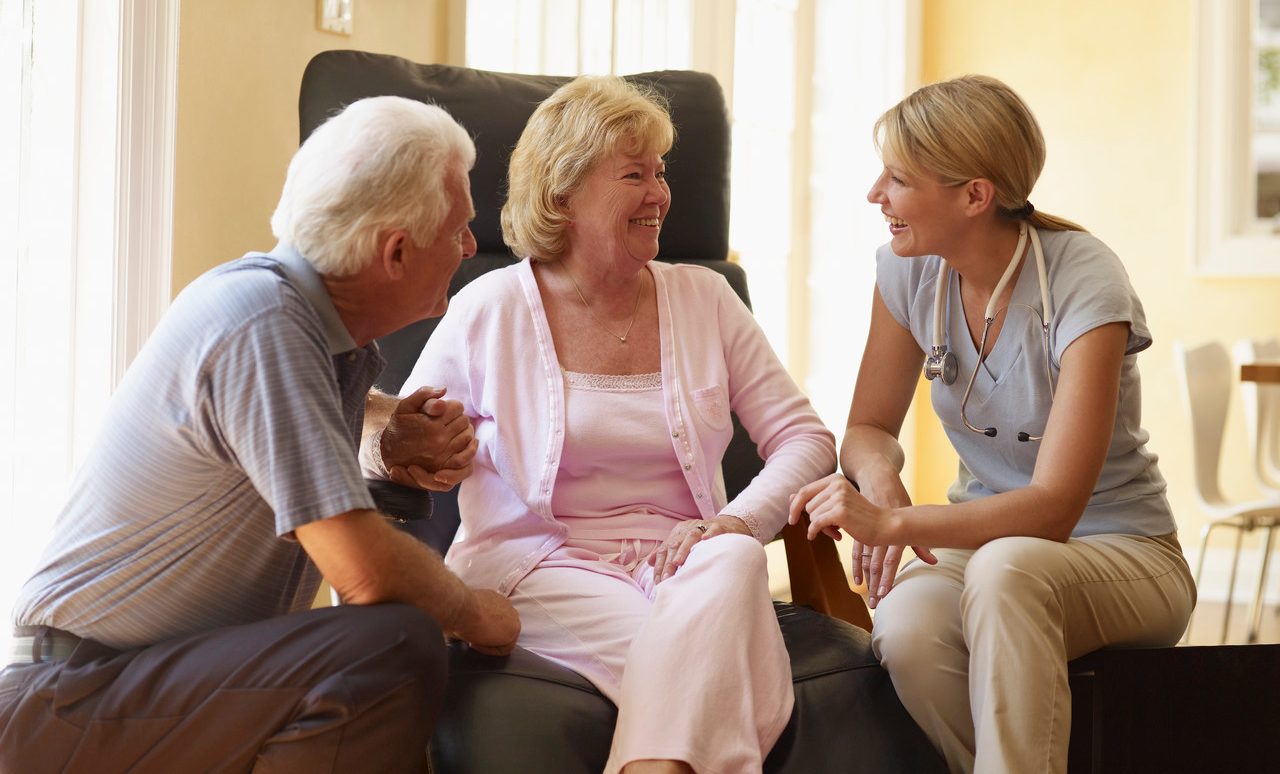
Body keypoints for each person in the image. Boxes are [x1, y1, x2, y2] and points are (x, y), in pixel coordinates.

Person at [1, 95, 519, 773]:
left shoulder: (310, 334)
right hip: (77, 699)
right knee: (393, 644)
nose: (471, 248)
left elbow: (291, 429)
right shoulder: (262, 321)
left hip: (144, 686)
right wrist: (480, 614)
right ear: (395, 252)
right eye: (459, 230)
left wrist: (387, 436)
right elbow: (362, 571)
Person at [365, 76, 836, 774]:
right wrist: (405, 445)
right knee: (706, 651)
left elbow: (808, 439)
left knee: (735, 560)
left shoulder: (704, 296)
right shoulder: (491, 308)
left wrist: (738, 522)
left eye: (662, 173)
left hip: (689, 567)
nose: (660, 195)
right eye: (633, 175)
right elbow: (396, 436)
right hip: (540, 568)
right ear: (564, 194)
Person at [789, 75, 1196, 774]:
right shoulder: (907, 272)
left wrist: (896, 526)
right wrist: (882, 481)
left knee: (1010, 571)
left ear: (975, 196)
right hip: (983, 546)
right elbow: (867, 426)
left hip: (1123, 551)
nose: (874, 194)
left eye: (898, 177)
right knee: (908, 627)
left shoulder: (1085, 280)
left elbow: (1053, 509)